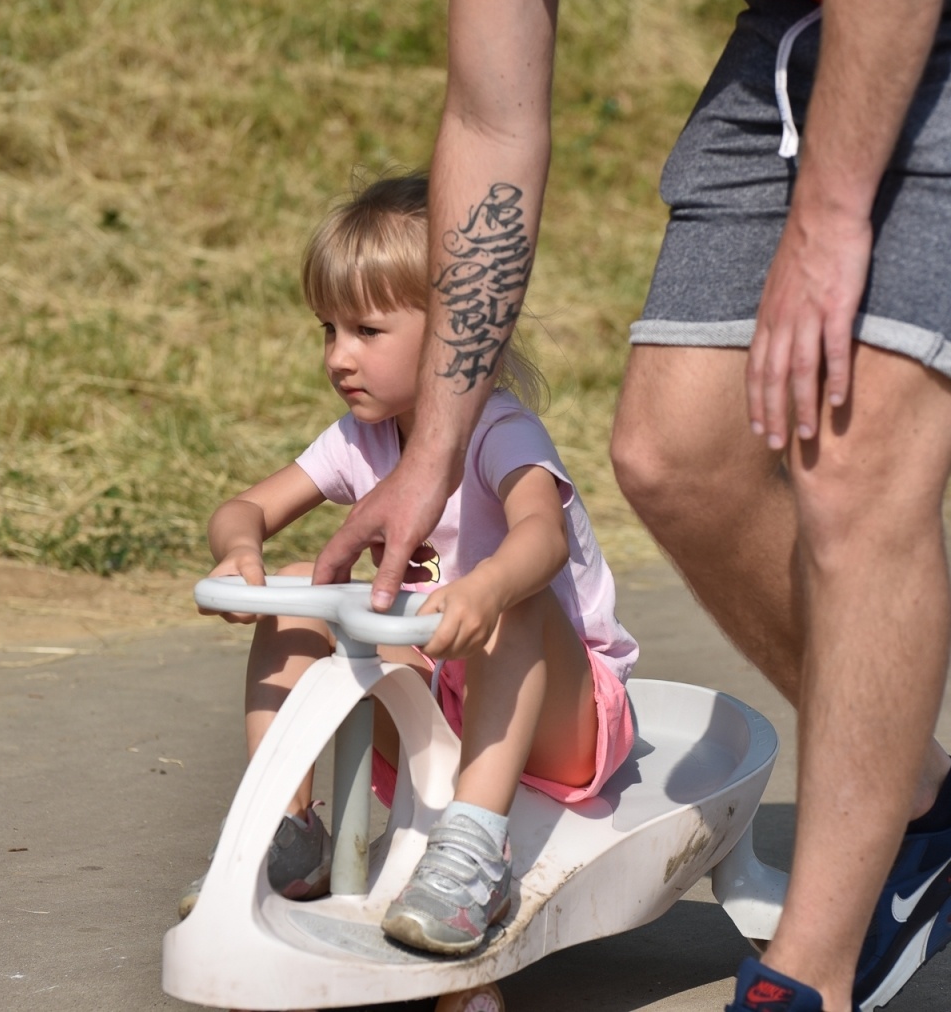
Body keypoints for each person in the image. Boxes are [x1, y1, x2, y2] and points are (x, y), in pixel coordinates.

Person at [312, 0, 951, 1008]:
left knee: (852, 455)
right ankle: (933, 810)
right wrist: (431, 453)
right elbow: (489, 119)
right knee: (676, 453)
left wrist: (829, 220)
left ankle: (811, 976)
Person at [186, 173, 638, 957]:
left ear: (453, 336)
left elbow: (543, 536)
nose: (339, 356)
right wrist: (239, 549)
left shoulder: (499, 428)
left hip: (563, 714)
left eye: (366, 330)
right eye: (327, 330)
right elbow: (247, 507)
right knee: (299, 585)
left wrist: (488, 585)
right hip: (438, 690)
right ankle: (285, 829)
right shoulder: (361, 439)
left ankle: (474, 853)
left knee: (515, 595)